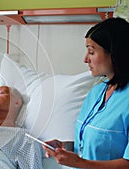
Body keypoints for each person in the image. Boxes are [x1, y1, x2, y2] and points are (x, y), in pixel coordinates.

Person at [43, 17, 129, 169]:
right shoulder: (96, 92)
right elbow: (95, 144)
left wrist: (79, 163)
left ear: (115, 53)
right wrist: (64, 147)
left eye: (91, 52)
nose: (85, 59)